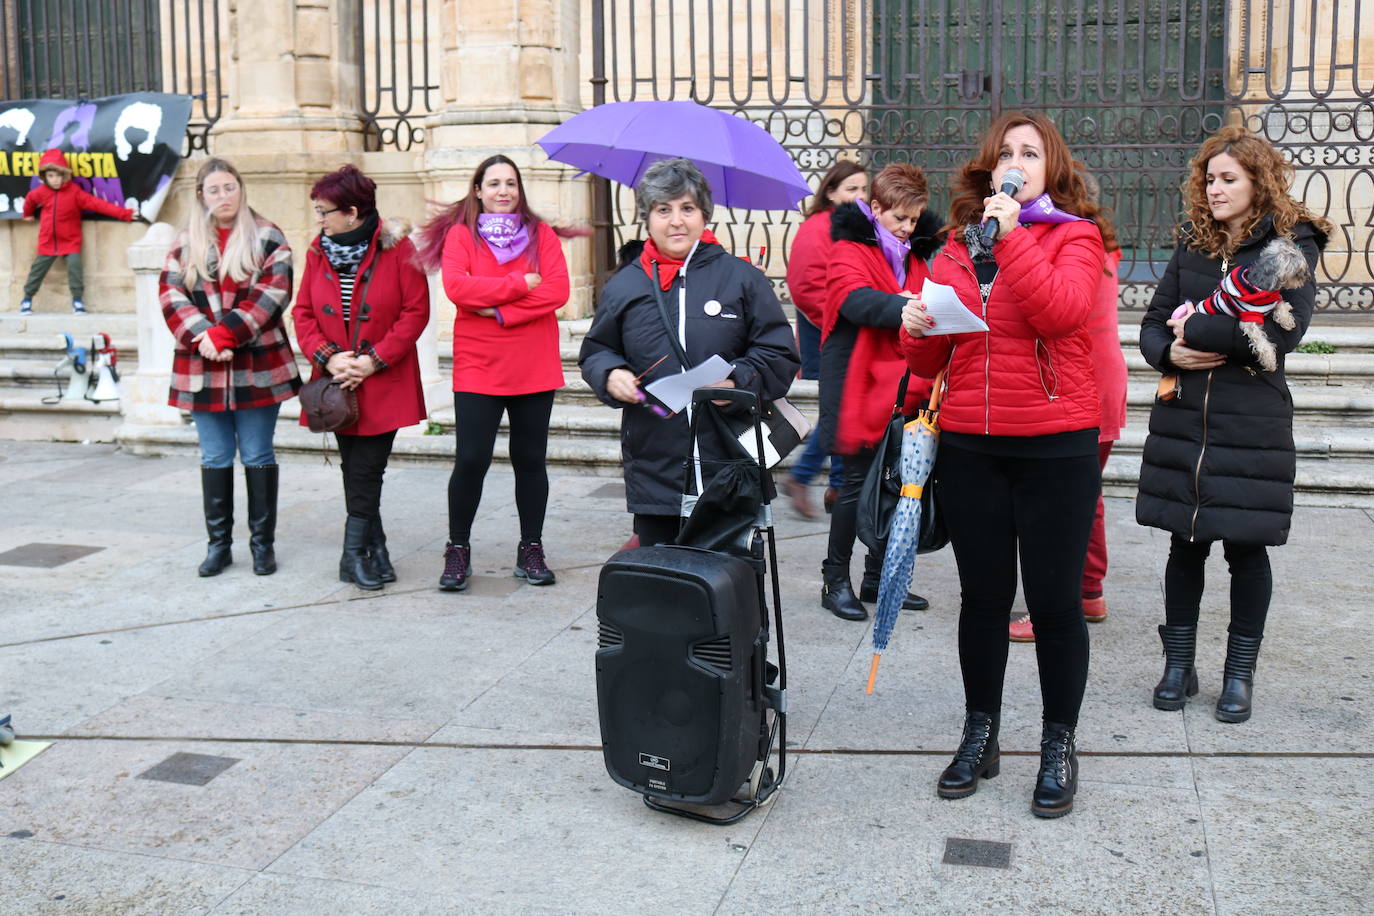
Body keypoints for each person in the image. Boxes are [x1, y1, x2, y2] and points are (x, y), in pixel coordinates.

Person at [899, 111, 1117, 818]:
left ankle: (1059, 743)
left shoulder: (1076, 238)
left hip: (1056, 445)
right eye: (1005, 154)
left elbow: (1060, 313)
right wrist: (916, 329)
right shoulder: (956, 249)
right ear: (988, 170)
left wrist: (1018, 236)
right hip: (972, 446)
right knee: (984, 601)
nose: (1015, 163)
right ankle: (980, 734)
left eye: (1030, 153)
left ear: (1050, 169)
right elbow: (933, 360)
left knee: (1054, 606)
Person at [1136, 125, 1328, 724]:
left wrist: (1188, 330)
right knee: (1184, 546)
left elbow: (1279, 336)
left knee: (1247, 551)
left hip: (1252, 423)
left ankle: (1238, 676)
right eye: (1209, 179)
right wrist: (1169, 352)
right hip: (1185, 421)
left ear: (1257, 181)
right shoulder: (1194, 243)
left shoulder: (1289, 246)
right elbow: (1150, 325)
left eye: (1228, 179)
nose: (1215, 190)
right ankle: (1179, 664)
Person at [578, 157, 799, 547]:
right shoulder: (625, 285)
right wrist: (610, 373)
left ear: (704, 215)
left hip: (730, 460)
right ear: (647, 217)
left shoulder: (741, 278)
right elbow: (597, 350)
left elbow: (778, 353)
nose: (676, 221)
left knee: (730, 582)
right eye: (664, 210)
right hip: (656, 462)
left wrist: (735, 381)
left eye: (687, 208)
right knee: (663, 586)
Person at [416, 155, 569, 592]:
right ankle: (458, 548)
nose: (504, 191)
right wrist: (522, 285)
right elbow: (458, 289)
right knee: (471, 459)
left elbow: (556, 290)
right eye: (494, 183)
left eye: (511, 183)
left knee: (530, 461)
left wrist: (497, 311)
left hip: (534, 363)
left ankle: (531, 547)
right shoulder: (461, 235)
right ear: (478, 191)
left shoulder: (541, 235)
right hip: (478, 364)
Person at [292, 165, 431, 590]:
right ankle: (377, 548)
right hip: (337, 384)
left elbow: (415, 311)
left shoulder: (399, 249)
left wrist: (373, 360)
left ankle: (351, 556)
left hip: (381, 381)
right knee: (355, 469)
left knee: (367, 469)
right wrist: (329, 358)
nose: (319, 219)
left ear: (351, 212)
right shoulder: (319, 251)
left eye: (324, 211)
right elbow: (303, 313)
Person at [160, 157, 300, 577]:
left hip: (258, 364)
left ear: (241, 189)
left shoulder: (268, 236)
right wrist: (204, 337)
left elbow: (273, 294)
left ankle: (262, 546)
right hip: (201, 365)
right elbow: (170, 295)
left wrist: (226, 335)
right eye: (214, 190)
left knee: (257, 453)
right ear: (201, 196)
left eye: (230, 187)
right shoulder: (185, 243)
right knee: (214, 455)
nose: (223, 196)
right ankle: (218, 546)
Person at [817, 163, 941, 621]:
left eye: (914, 219)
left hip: (903, 380)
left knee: (895, 482)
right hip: (856, 380)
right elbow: (852, 300)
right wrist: (905, 305)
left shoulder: (916, 254)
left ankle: (876, 577)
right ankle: (834, 580)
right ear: (875, 209)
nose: (908, 229)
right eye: (899, 219)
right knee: (852, 485)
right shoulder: (849, 248)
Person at [1010, 242, 1126, 642]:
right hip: (1103, 380)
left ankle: (1055, 608)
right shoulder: (1106, 250)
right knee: (1084, 495)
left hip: (1080, 384)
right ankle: (1089, 591)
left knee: (1061, 506)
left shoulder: (1073, 248)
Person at [782, 160, 868, 519]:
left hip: (843, 327)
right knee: (840, 410)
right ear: (830, 192)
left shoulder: (851, 225)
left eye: (865, 189)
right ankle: (805, 476)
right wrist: (847, 317)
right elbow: (805, 286)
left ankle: (836, 484)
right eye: (852, 189)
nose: (860, 196)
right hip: (832, 330)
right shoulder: (820, 226)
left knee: (845, 408)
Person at [20, 148, 135, 314]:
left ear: (65, 175)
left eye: (59, 175)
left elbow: (98, 204)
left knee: (75, 270)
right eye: (51, 176)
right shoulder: (41, 192)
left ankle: (77, 300)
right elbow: (30, 200)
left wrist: (125, 214)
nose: (55, 180)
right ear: (45, 176)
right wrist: (27, 214)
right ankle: (27, 299)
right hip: (48, 241)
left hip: (70, 240)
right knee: (37, 271)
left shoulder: (74, 192)